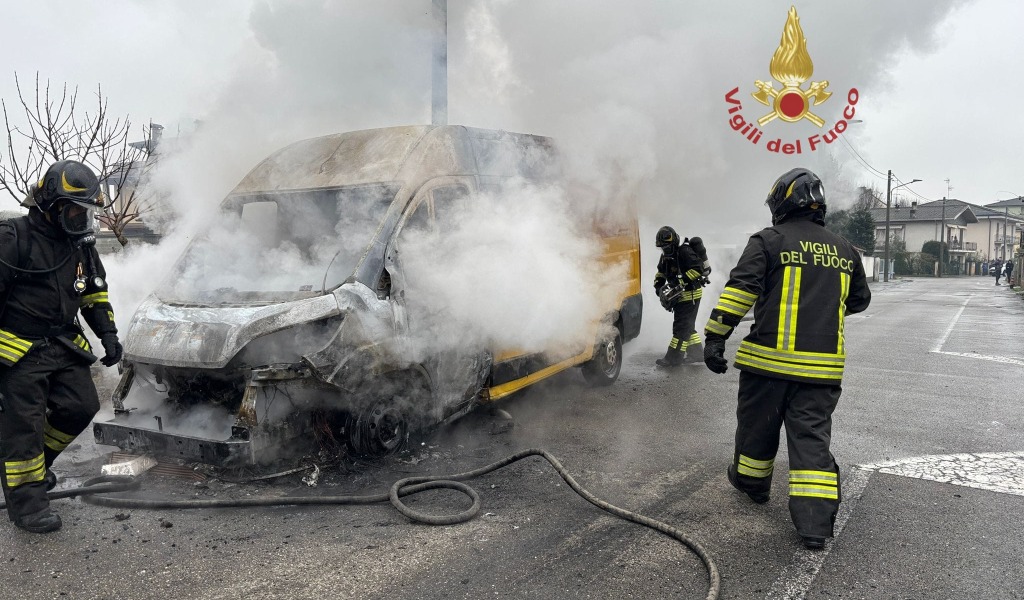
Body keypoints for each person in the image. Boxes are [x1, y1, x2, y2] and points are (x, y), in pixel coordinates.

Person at [702, 168, 871, 550]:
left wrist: (715, 337)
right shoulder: (845, 249)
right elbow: (859, 300)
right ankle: (814, 526)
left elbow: (740, 291)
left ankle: (752, 484)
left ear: (782, 201)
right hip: (822, 371)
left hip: (768, 364)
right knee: (811, 439)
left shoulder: (769, 240)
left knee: (757, 429)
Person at [0, 160, 122, 533]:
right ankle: (28, 507)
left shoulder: (80, 245)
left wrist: (109, 335)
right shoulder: (11, 237)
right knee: (24, 429)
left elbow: (94, 295)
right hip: (16, 349)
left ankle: (40, 466)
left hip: (62, 343)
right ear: (52, 206)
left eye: (86, 211)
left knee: (81, 406)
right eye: (74, 210)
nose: (82, 219)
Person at [653, 226, 710, 368]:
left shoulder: (684, 252)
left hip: (691, 294)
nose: (665, 250)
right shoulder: (665, 256)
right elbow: (660, 272)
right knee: (688, 326)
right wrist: (658, 287)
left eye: (667, 246)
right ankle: (697, 354)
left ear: (674, 242)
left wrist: (681, 281)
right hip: (679, 296)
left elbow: (698, 269)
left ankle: (673, 358)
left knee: (680, 328)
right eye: (662, 247)